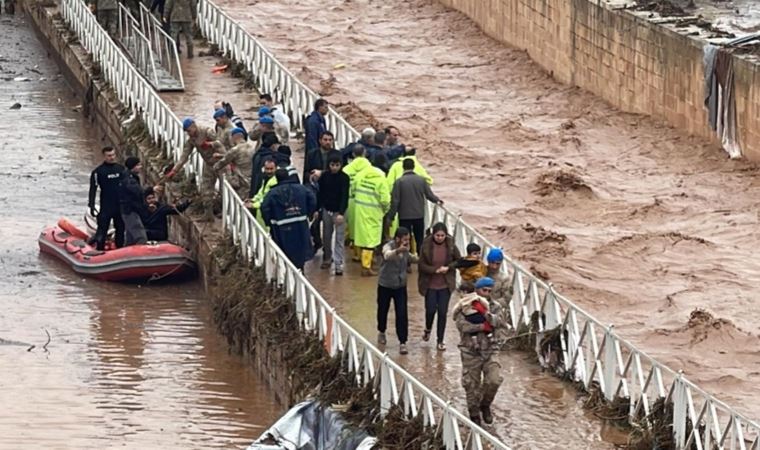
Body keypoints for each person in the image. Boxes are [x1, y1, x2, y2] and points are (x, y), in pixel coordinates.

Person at [453, 277, 504, 425]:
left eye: (489, 290)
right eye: (484, 290)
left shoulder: (495, 306)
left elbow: (500, 322)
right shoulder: (465, 304)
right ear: (477, 290)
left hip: (491, 350)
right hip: (470, 351)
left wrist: (485, 315)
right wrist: (482, 327)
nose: (487, 293)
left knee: (494, 380)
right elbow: (462, 325)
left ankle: (485, 405)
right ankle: (474, 415)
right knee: (471, 385)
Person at [165, 117, 224, 220]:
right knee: (206, 189)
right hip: (208, 164)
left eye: (189, 131)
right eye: (187, 132)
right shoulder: (192, 140)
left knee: (224, 189)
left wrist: (210, 145)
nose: (189, 133)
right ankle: (208, 214)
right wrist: (174, 170)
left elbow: (221, 145)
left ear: (194, 125)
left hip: (220, 164)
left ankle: (225, 214)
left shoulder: (207, 131)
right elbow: (184, 155)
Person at [261, 168, 317, 270]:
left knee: (284, 252)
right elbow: (312, 199)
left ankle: (287, 276)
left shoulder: (272, 193)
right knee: (300, 249)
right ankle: (300, 271)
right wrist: (309, 213)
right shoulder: (301, 189)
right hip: (300, 223)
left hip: (281, 226)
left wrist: (268, 221)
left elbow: (264, 207)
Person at [418, 222, 461, 351]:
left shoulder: (451, 244)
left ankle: (440, 340)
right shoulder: (426, 245)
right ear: (433, 234)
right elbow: (421, 265)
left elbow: (459, 261)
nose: (440, 238)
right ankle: (428, 328)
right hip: (430, 284)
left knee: (442, 312)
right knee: (430, 310)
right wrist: (434, 270)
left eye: (442, 235)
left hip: (445, 284)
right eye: (438, 235)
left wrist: (448, 268)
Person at [388, 158, 442, 256]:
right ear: (414, 167)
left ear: (403, 167)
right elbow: (429, 195)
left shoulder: (399, 182)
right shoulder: (421, 180)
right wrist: (437, 200)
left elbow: (395, 201)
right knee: (419, 238)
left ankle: (406, 261)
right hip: (419, 215)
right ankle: (420, 258)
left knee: (404, 240)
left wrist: (390, 216)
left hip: (404, 215)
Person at [351, 150, 390, 276]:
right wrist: (385, 210)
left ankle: (363, 260)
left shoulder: (361, 174)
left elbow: (353, 188)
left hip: (359, 209)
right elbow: (385, 199)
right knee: (371, 240)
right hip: (374, 212)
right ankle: (366, 267)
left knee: (361, 236)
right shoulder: (381, 178)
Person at [377, 227, 416, 355]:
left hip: (400, 285)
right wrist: (398, 250)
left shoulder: (406, 249)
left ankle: (403, 342)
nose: (407, 242)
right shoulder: (388, 246)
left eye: (408, 240)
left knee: (402, 313)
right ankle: (382, 331)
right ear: (398, 239)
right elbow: (386, 255)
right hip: (385, 285)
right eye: (405, 240)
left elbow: (411, 258)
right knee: (383, 310)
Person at [317, 151, 350, 275]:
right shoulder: (324, 177)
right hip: (327, 210)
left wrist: (341, 213)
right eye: (332, 165)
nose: (335, 167)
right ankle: (327, 258)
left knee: (339, 238)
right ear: (328, 165)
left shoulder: (345, 178)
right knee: (326, 235)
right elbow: (320, 194)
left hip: (339, 211)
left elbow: (344, 196)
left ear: (341, 165)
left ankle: (338, 264)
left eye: (337, 165)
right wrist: (318, 209)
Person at [88, 146, 126, 250]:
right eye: (109, 156)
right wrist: (91, 205)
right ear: (104, 156)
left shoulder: (121, 169)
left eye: (113, 155)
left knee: (120, 229)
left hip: (119, 206)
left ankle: (120, 249)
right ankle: (99, 250)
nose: (112, 157)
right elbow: (93, 189)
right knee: (102, 230)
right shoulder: (98, 172)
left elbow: (128, 186)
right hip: (106, 206)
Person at [119, 157, 158, 246]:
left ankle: (127, 253)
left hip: (131, 210)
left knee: (130, 236)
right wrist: (151, 189)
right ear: (133, 166)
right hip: (130, 211)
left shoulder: (129, 177)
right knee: (140, 236)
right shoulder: (129, 179)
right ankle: (140, 254)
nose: (141, 167)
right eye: (138, 165)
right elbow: (138, 191)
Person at [213, 127, 254, 198]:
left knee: (238, 199)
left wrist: (215, 168)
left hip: (240, 179)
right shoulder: (251, 148)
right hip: (251, 178)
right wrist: (221, 156)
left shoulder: (235, 149)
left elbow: (224, 161)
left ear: (234, 137)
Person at [485, 247, 513, 342]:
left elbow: (506, 299)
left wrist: (492, 304)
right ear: (488, 261)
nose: (494, 266)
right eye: (492, 263)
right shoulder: (480, 273)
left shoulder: (504, 279)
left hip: (496, 312)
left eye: (497, 264)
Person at [250, 132, 288, 197]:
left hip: (254, 189)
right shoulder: (270, 158)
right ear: (273, 145)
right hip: (263, 192)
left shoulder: (258, 154)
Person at [246, 158, 277, 227]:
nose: (269, 171)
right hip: (261, 213)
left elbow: (268, 200)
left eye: (271, 169)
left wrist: (253, 205)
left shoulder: (275, 182)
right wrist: (253, 199)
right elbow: (261, 192)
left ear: (276, 168)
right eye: (267, 169)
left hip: (268, 214)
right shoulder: (266, 178)